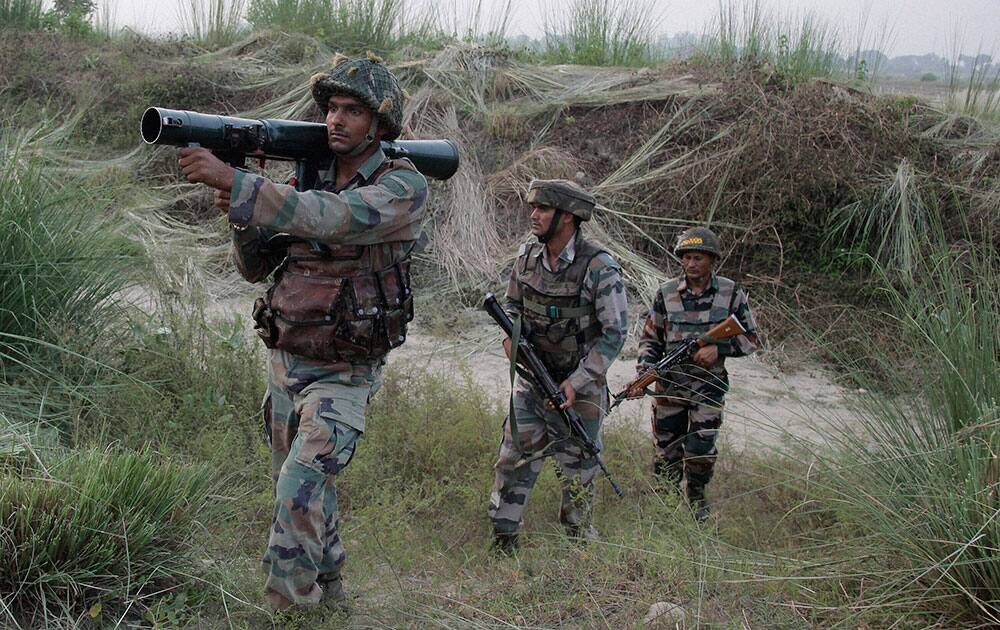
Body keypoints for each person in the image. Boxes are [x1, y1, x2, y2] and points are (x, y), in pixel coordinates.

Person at [177, 53, 428, 611]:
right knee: (301, 486)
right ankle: (332, 588)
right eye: (332, 109)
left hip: (346, 370)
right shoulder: (305, 179)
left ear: (380, 124)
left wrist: (239, 182)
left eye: (353, 111)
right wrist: (241, 212)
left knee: (298, 490)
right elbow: (254, 268)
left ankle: (286, 610)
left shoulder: (402, 186)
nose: (336, 120)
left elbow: (333, 218)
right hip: (288, 358)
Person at [488, 179, 628, 553]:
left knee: (579, 472)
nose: (533, 216)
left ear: (567, 217)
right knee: (513, 460)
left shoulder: (600, 267)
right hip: (534, 382)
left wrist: (579, 381)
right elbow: (511, 308)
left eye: (543, 209)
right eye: (533, 208)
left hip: (580, 391)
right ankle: (503, 541)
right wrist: (510, 341)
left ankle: (579, 549)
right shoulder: (527, 258)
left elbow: (615, 334)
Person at [636, 227, 759, 521]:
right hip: (670, 389)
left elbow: (751, 339)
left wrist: (720, 348)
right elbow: (650, 338)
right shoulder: (665, 293)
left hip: (708, 388)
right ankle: (665, 511)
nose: (692, 264)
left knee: (701, 450)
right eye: (687, 258)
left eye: (699, 258)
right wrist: (645, 370)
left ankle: (697, 501)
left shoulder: (731, 293)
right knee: (666, 454)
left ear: (712, 260)